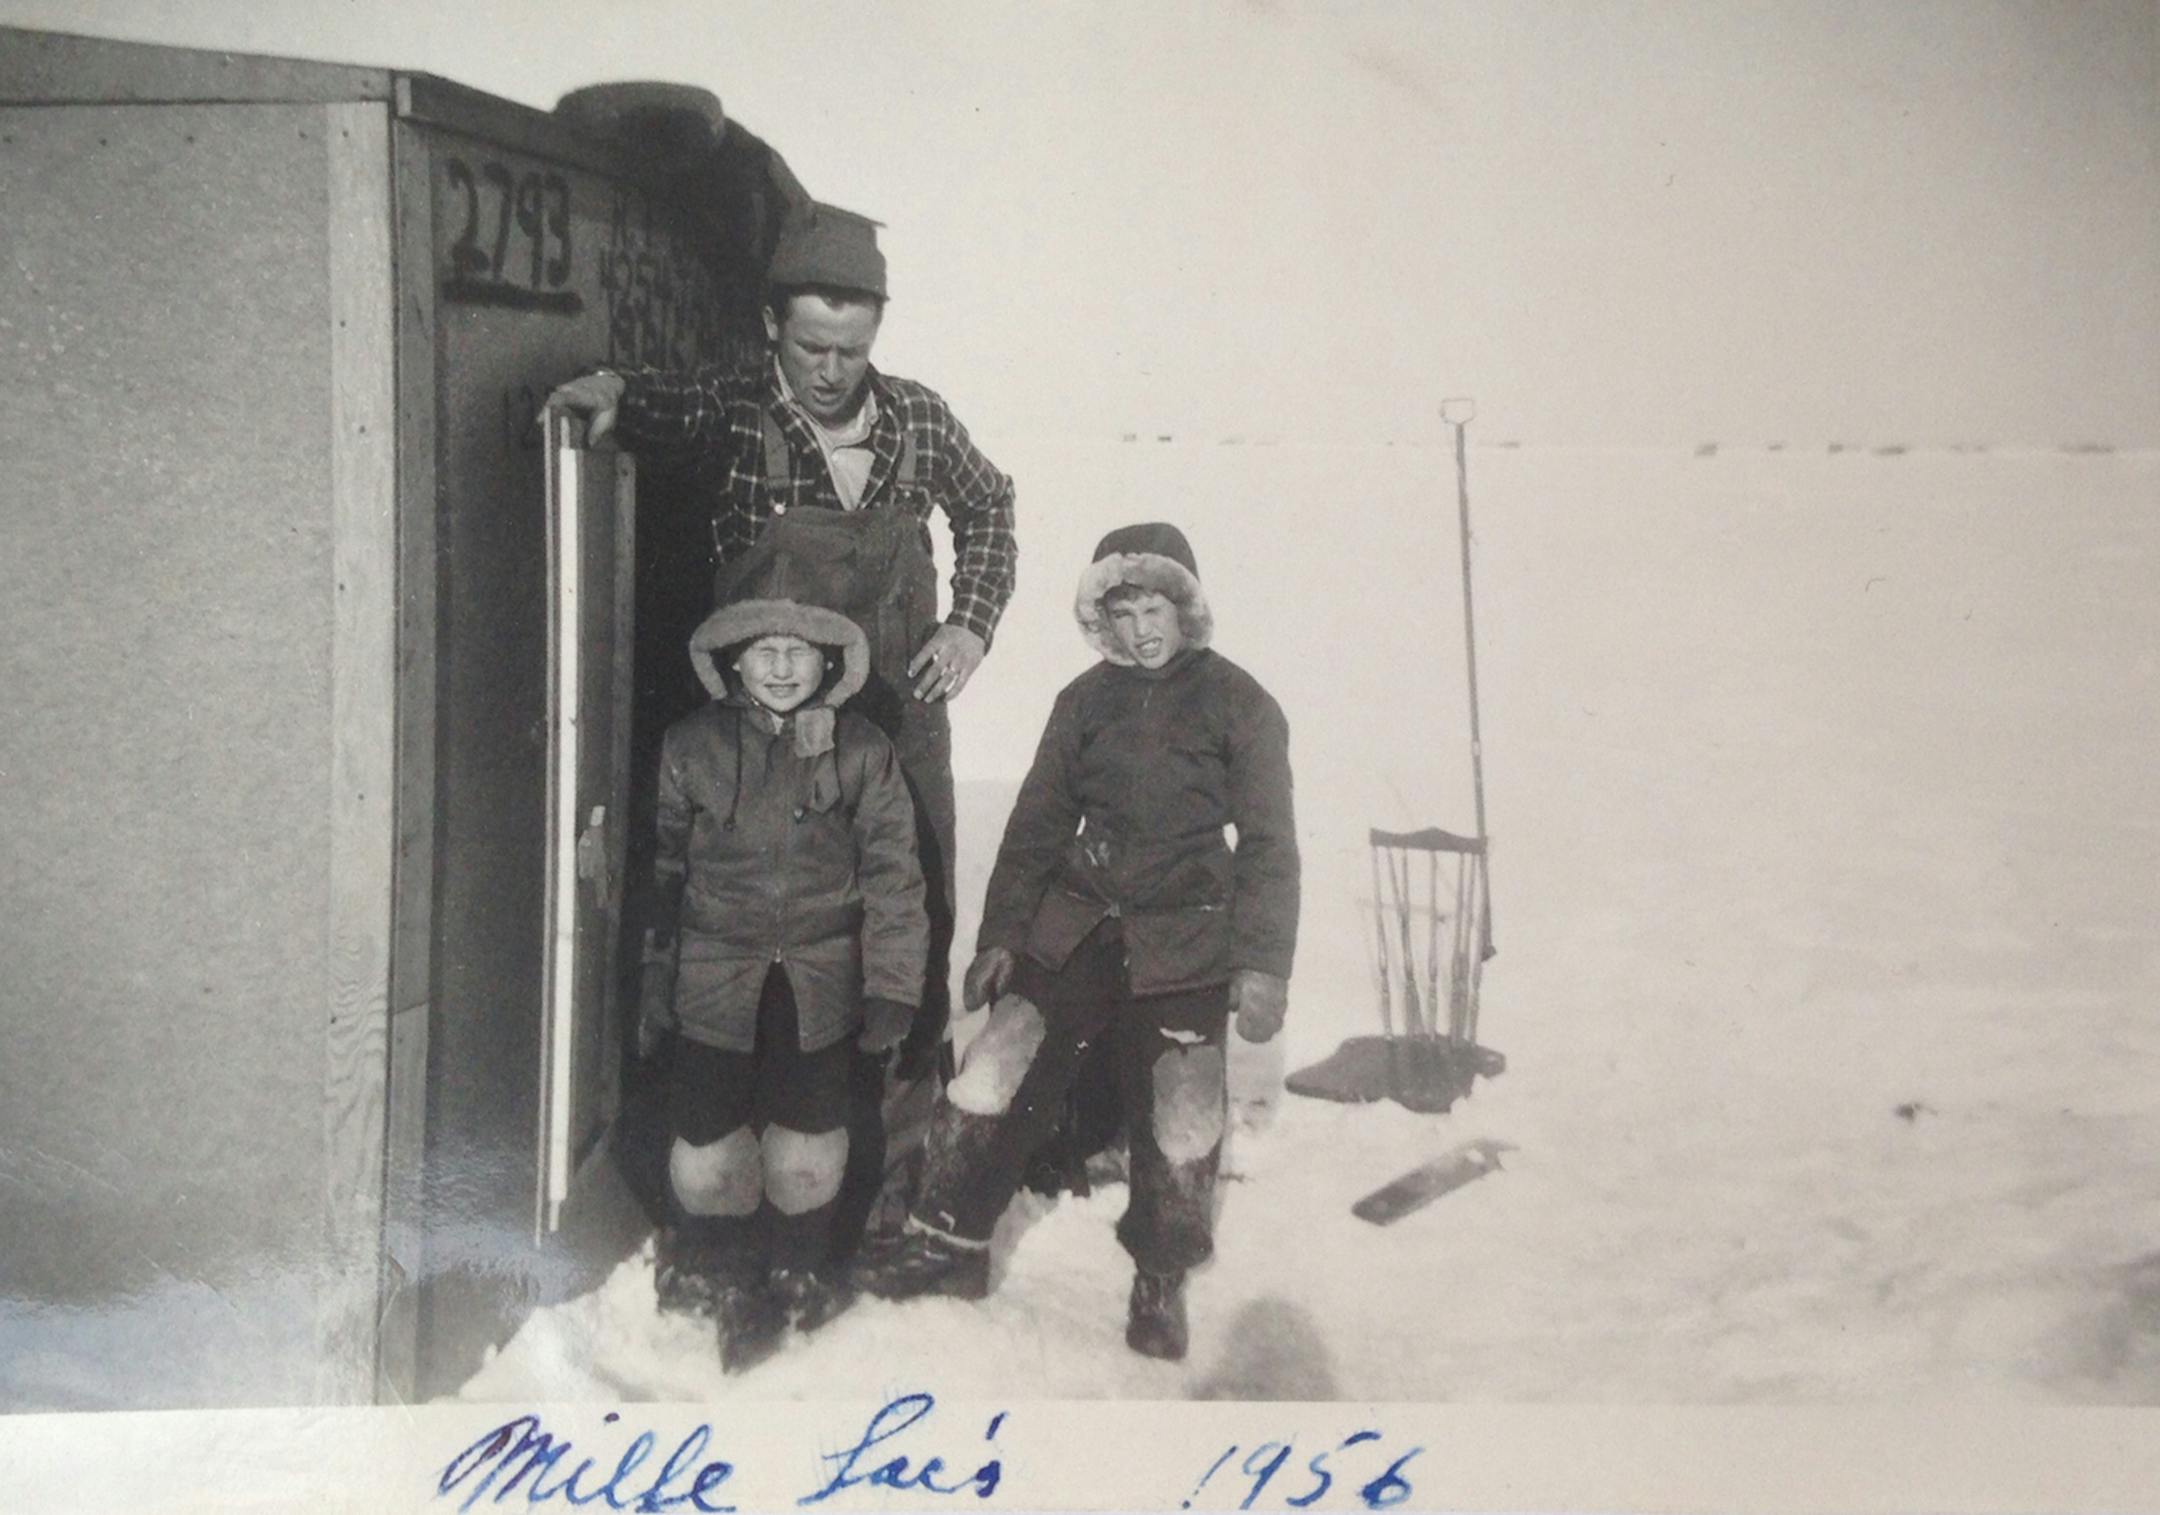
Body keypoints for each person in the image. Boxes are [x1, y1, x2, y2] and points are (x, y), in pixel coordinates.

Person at [546, 201, 1018, 1254]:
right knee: (752, 941)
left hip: (896, 729)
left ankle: (888, 1177)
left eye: (853, 347)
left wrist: (971, 626)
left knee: (912, 924)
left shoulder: (922, 424)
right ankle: (732, 1190)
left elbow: (990, 506)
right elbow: (655, 400)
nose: (831, 369)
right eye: (812, 344)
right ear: (773, 329)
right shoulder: (735, 409)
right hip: (761, 745)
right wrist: (606, 394)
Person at [856, 522, 1300, 1362]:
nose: (1141, 629)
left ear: (1187, 608)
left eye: (1155, 607)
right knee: (991, 1069)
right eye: (1122, 610)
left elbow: (1272, 845)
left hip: (1185, 939)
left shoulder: (1241, 703)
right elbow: (1036, 827)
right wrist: (1001, 938)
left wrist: (1263, 964)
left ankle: (1161, 1272)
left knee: (1183, 1110)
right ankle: (947, 1240)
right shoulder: (1083, 702)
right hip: (1080, 924)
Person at [640, 552, 927, 1369]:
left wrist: (893, 987)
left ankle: (799, 1262)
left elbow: (894, 876)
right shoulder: (690, 747)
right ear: (732, 659)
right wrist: (656, 976)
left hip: (819, 978)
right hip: (714, 975)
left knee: (807, 1143)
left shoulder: (862, 750)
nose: (778, 666)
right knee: (706, 1147)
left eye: (798, 650)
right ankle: (725, 1267)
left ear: (830, 661)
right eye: (760, 649)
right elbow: (661, 868)